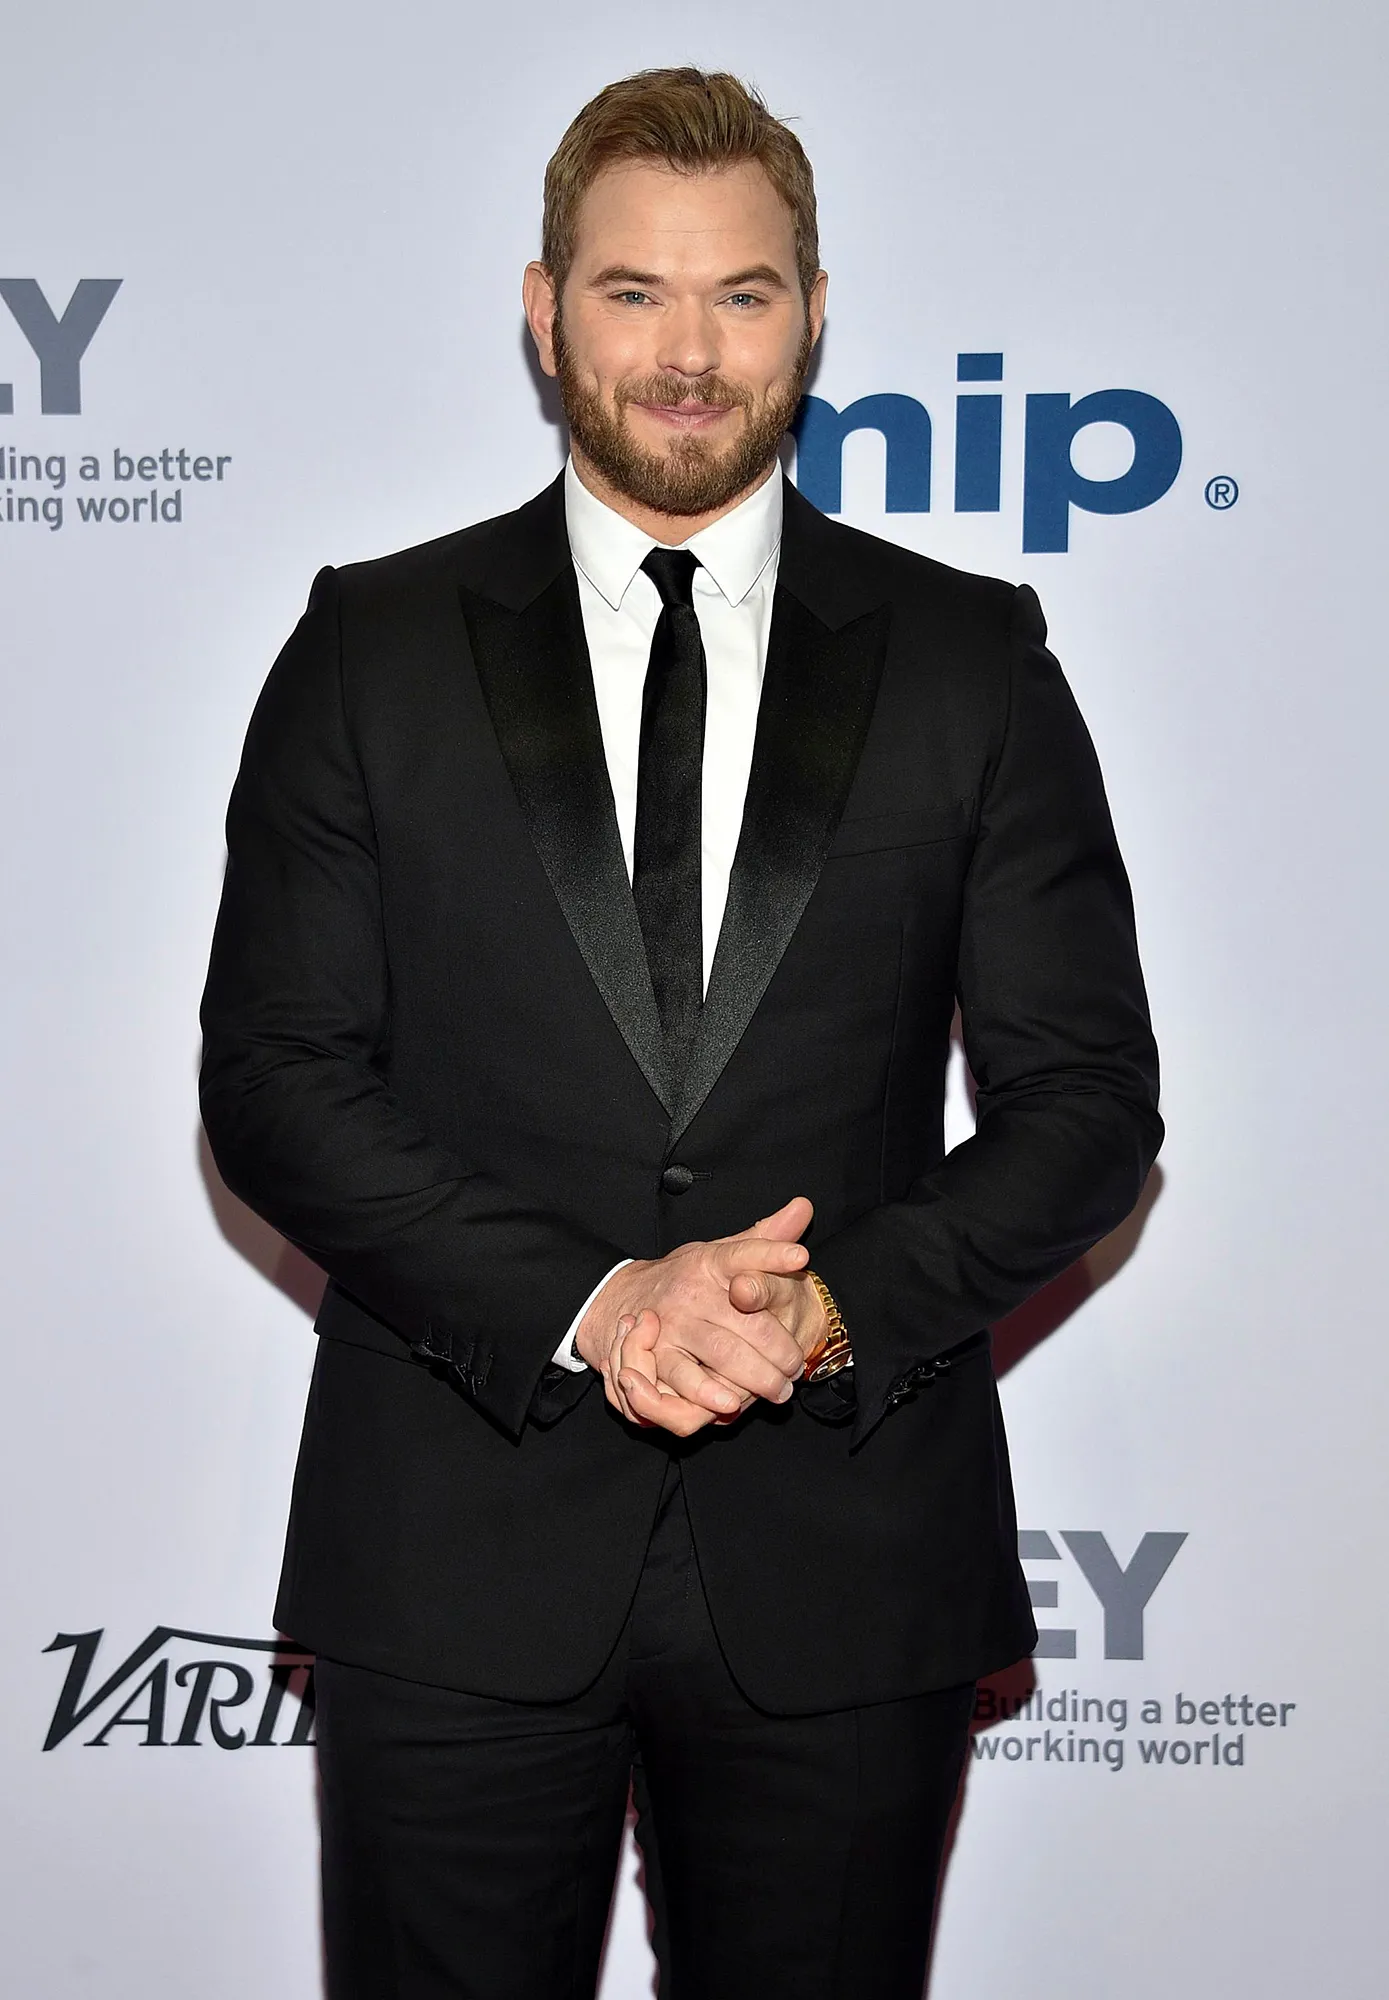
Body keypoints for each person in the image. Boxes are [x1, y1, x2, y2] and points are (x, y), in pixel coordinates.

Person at [199, 65, 1162, 2000]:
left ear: (814, 316)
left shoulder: (970, 658)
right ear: (544, 310)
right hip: (454, 1546)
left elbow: (1087, 1105)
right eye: (634, 291)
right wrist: (600, 1303)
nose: (691, 354)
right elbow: (276, 1080)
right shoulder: (371, 647)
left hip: (847, 1557)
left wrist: (827, 1311)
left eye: (742, 294)